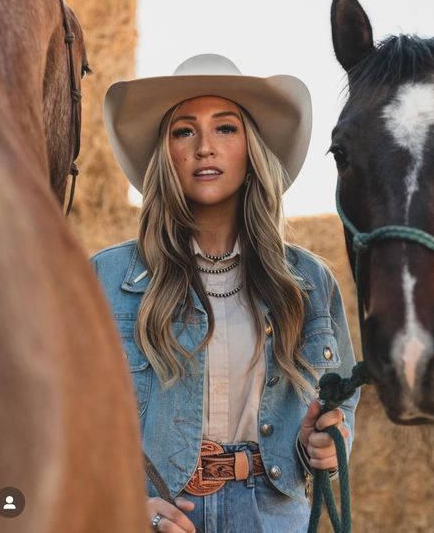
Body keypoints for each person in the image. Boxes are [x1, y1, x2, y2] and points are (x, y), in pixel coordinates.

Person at [92, 54, 359, 533]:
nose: (205, 148)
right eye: (184, 131)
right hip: (163, 516)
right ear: (165, 152)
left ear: (251, 150)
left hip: (275, 516)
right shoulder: (108, 277)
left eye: (226, 129)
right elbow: (66, 419)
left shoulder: (310, 281)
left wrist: (324, 447)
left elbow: (340, 402)